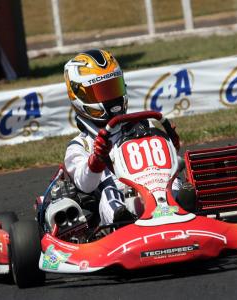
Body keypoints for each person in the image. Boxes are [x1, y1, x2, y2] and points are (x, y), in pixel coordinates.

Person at [63, 49, 181, 225]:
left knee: (176, 180)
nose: (112, 97)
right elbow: (85, 185)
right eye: (102, 92)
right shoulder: (80, 145)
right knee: (109, 193)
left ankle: (183, 205)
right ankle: (123, 224)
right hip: (120, 204)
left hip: (156, 189)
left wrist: (170, 144)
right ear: (79, 97)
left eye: (114, 88)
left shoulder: (144, 125)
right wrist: (96, 160)